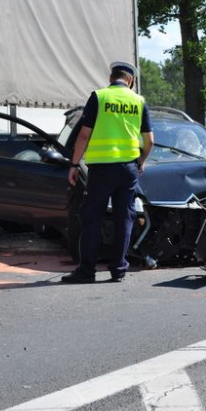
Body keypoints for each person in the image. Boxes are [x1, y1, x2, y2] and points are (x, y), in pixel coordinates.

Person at [61, 61, 154, 283]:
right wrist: (140, 161)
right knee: (125, 218)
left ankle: (87, 271)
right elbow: (150, 140)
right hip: (128, 169)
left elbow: (84, 135)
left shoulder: (99, 97)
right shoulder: (139, 101)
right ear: (130, 81)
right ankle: (119, 269)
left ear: (111, 78)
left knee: (92, 217)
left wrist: (74, 165)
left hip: (101, 169)